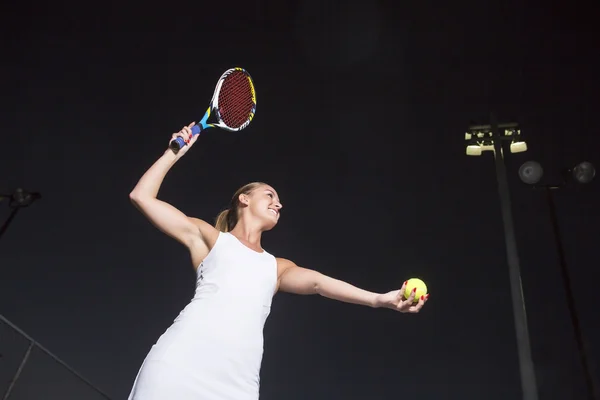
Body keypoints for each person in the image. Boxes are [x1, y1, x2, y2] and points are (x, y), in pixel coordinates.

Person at [127, 122, 429, 400]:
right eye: (269, 195)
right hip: (179, 364)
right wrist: (174, 151)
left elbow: (319, 283)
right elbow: (142, 196)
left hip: (236, 385)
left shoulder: (277, 267)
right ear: (244, 199)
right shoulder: (209, 239)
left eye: (278, 200)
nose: (278, 203)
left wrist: (378, 299)